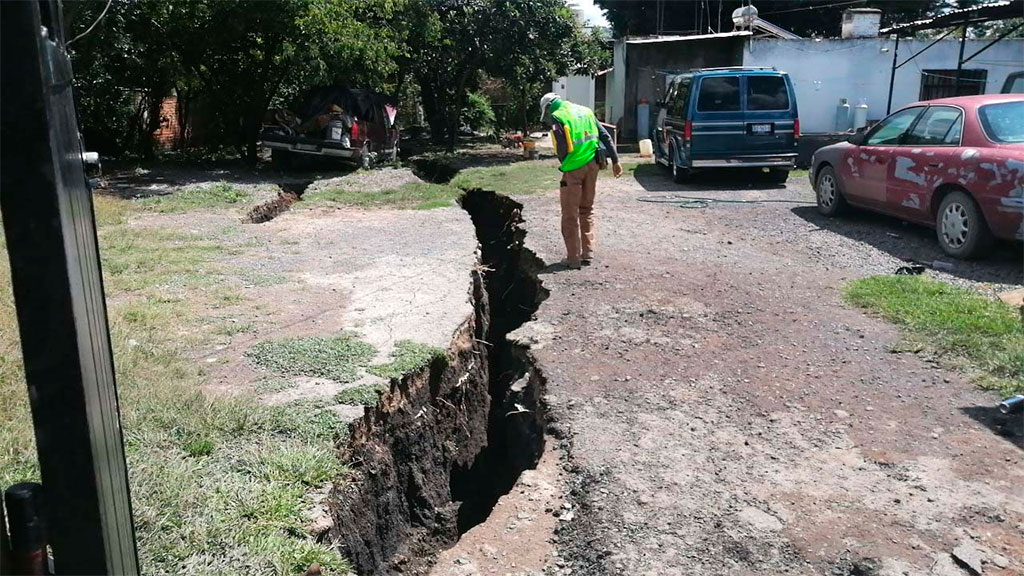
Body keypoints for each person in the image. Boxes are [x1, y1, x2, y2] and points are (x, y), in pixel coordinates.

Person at [540, 93, 621, 270]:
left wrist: (565, 164)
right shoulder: (586, 111)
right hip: (593, 165)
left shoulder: (557, 116)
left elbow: (561, 146)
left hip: (574, 169)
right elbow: (605, 136)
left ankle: (573, 258)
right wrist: (616, 160)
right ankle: (588, 252)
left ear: (549, 106)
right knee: (587, 209)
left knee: (570, 214)